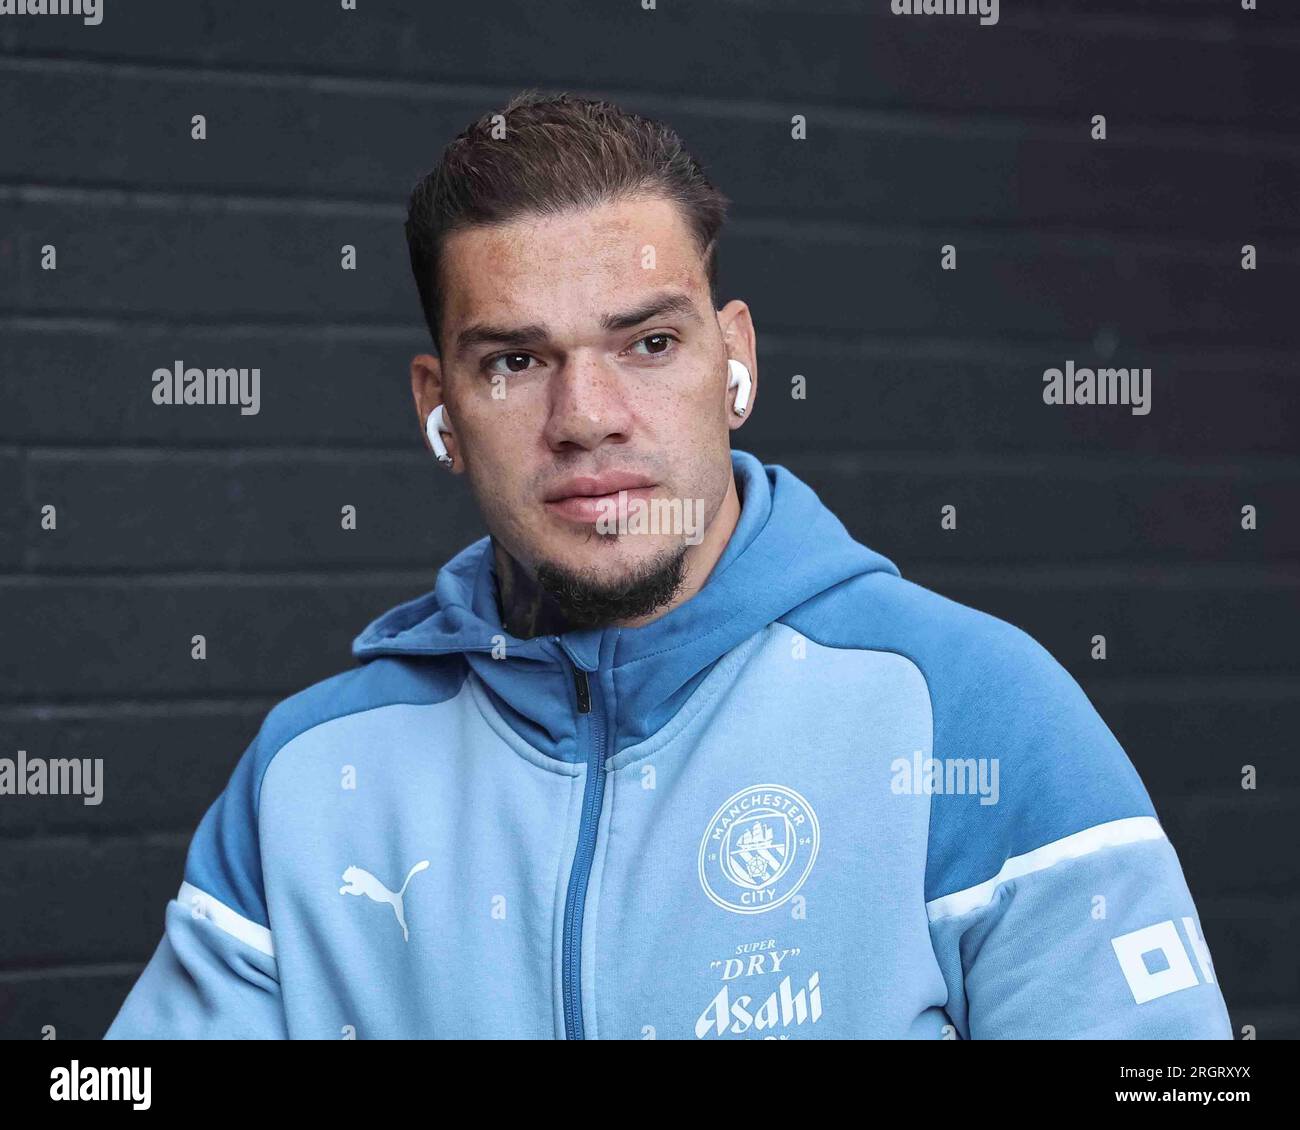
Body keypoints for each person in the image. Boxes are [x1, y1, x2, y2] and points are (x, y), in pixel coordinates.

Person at [105, 91, 1232, 1040]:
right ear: (438, 406)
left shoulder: (969, 708)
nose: (586, 417)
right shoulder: (310, 775)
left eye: (647, 343)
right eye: (512, 359)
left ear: (732, 359)